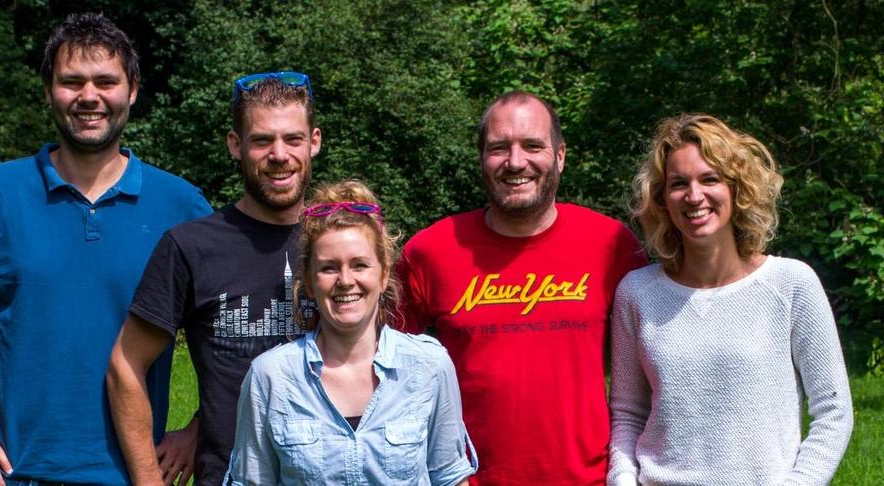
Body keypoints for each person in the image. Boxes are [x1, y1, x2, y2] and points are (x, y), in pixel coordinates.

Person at [0, 13, 211, 486]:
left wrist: (200, 427)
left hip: (138, 474)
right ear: (49, 90)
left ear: (132, 89)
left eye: (105, 82)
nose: (89, 96)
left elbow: (230, 332)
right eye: (71, 81)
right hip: (16, 475)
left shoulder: (180, 204)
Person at [396, 91, 647, 485]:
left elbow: (652, 375)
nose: (516, 162)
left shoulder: (612, 246)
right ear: (481, 157)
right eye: (499, 148)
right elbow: (383, 376)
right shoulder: (430, 251)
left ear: (560, 156)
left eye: (532, 145)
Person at [607, 113, 854, 485]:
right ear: (662, 199)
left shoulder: (791, 284)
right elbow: (627, 413)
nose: (694, 196)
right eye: (678, 184)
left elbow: (834, 411)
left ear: (737, 189)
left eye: (710, 179)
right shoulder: (637, 293)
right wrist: (622, 479)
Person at [107, 71, 321, 485]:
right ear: (235, 145)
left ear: (314, 141)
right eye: (261, 141)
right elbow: (125, 365)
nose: (279, 154)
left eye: (293, 139)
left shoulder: (341, 246)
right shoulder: (192, 246)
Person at [224, 180, 478, 485]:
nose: (345, 280)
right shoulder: (271, 377)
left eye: (359, 265)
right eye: (329, 268)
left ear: (384, 275)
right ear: (308, 279)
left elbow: (451, 477)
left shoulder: (429, 366)